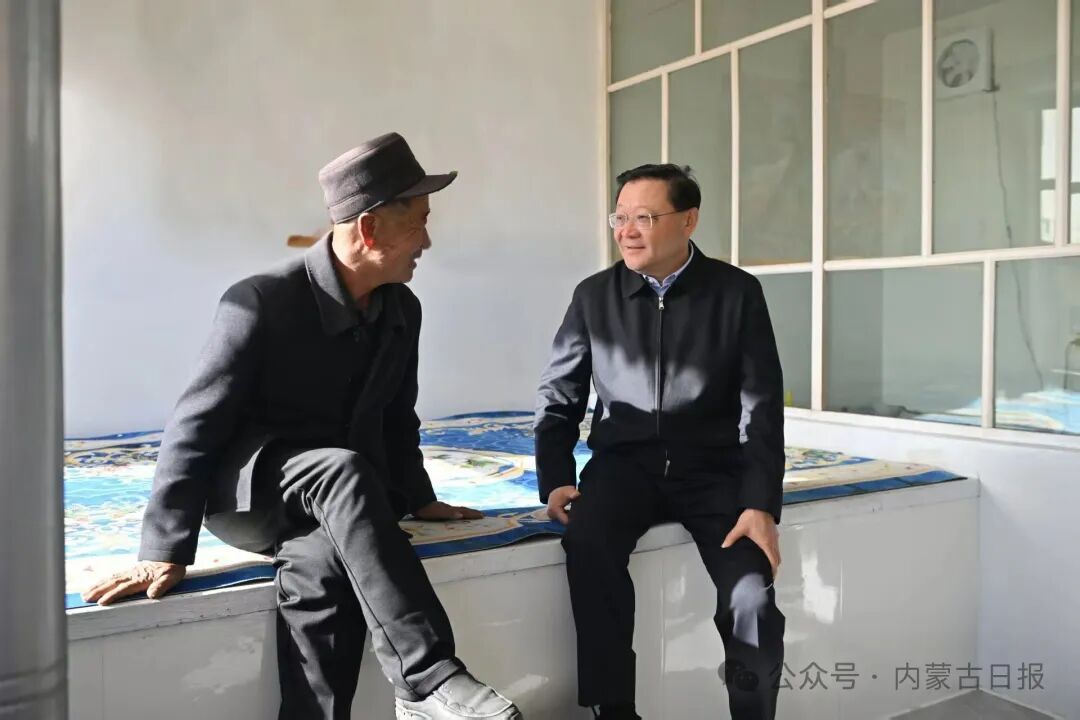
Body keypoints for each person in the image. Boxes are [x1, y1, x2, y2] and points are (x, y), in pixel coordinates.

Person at [83, 132, 523, 720]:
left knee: (321, 572)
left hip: (338, 501)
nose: (427, 241)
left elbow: (397, 416)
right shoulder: (260, 302)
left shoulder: (401, 308)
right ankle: (427, 679)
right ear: (369, 229)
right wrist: (164, 548)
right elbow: (196, 424)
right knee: (342, 469)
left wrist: (420, 498)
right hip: (252, 496)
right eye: (418, 223)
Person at [534, 163, 787, 719]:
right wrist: (555, 478)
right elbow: (559, 395)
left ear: (688, 220)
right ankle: (614, 711)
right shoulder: (594, 296)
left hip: (714, 473)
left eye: (644, 218)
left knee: (751, 595)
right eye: (619, 218)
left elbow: (762, 405)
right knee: (588, 545)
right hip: (622, 469)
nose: (627, 231)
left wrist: (761, 503)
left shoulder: (737, 293)